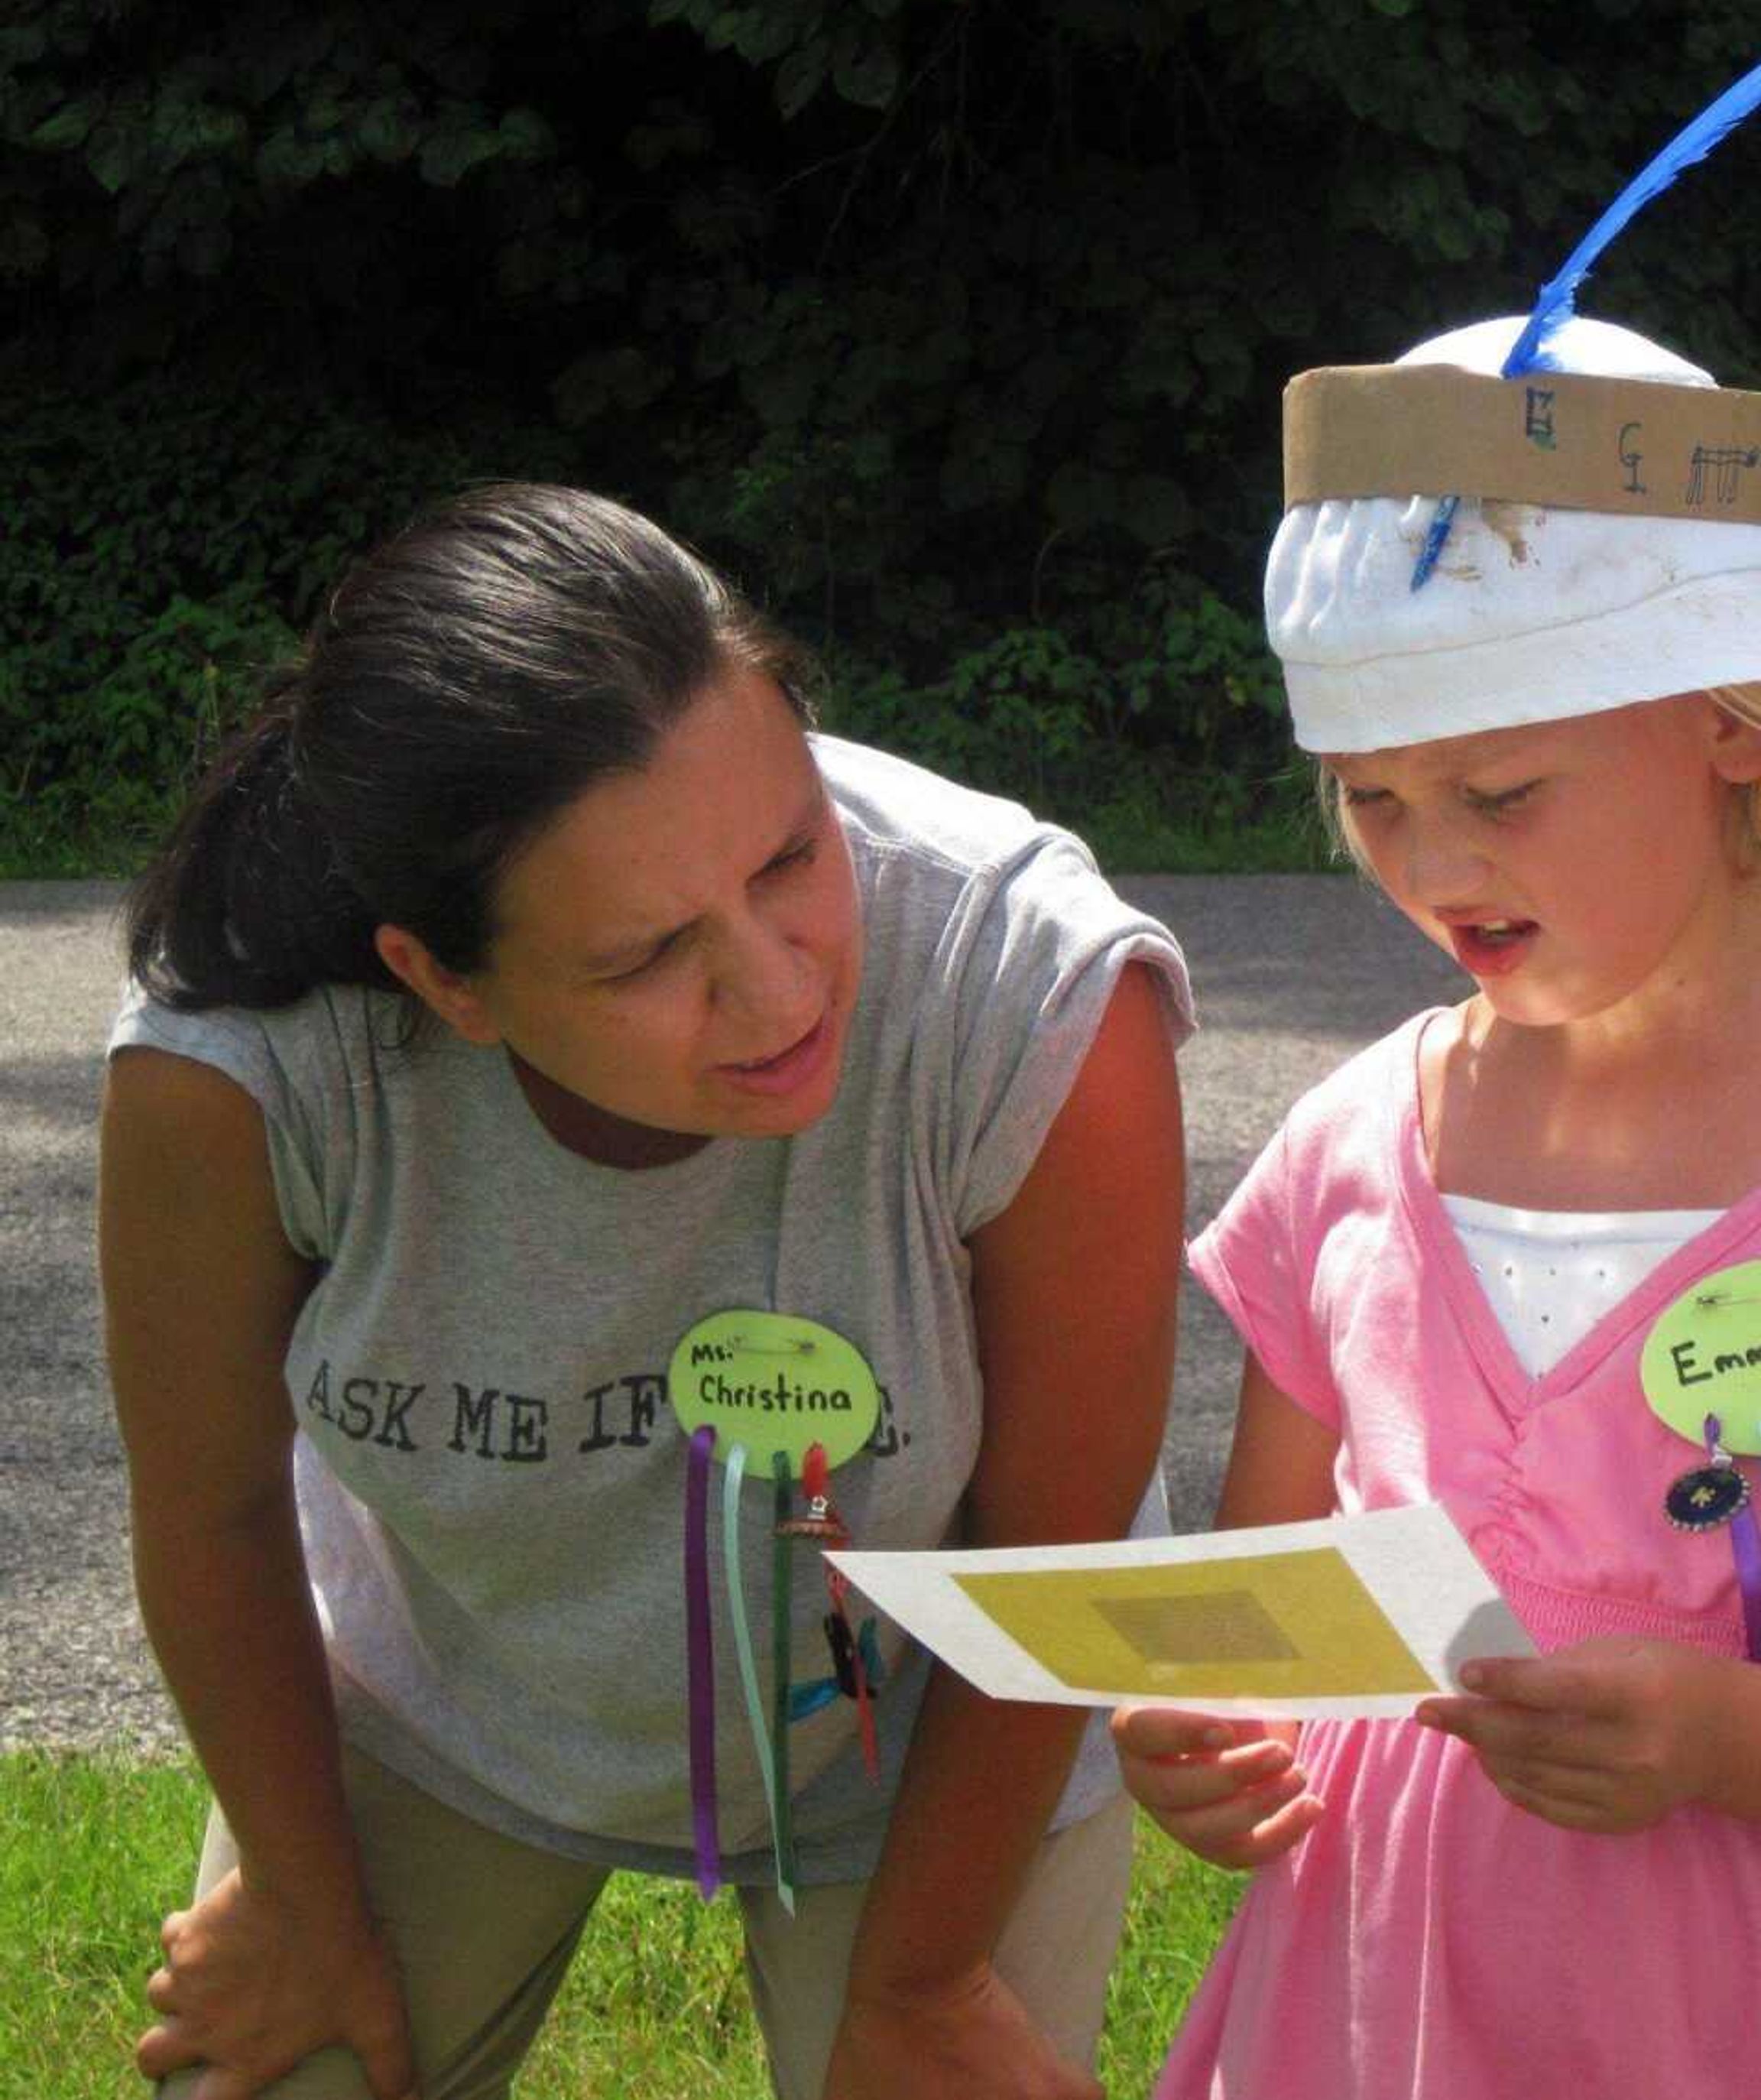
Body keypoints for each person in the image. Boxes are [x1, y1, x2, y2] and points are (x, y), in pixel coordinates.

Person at [1112, 315, 1761, 2095]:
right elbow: (1282, 1619)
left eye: (1502, 792)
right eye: (1372, 801)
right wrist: (1218, 1742)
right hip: (1376, 2029)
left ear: (1738, 722)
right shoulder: (1350, 1150)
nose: (1433, 865)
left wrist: (1743, 1740)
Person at [102, 484, 1192, 2100]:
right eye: (644, 956)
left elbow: (1053, 1542)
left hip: (940, 1717)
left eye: (792, 855)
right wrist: (307, 1899)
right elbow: (212, 1513)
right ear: (440, 980)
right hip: (448, 1697)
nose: (779, 982)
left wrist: (924, 1979)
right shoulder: (239, 1066)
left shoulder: (1029, 986)